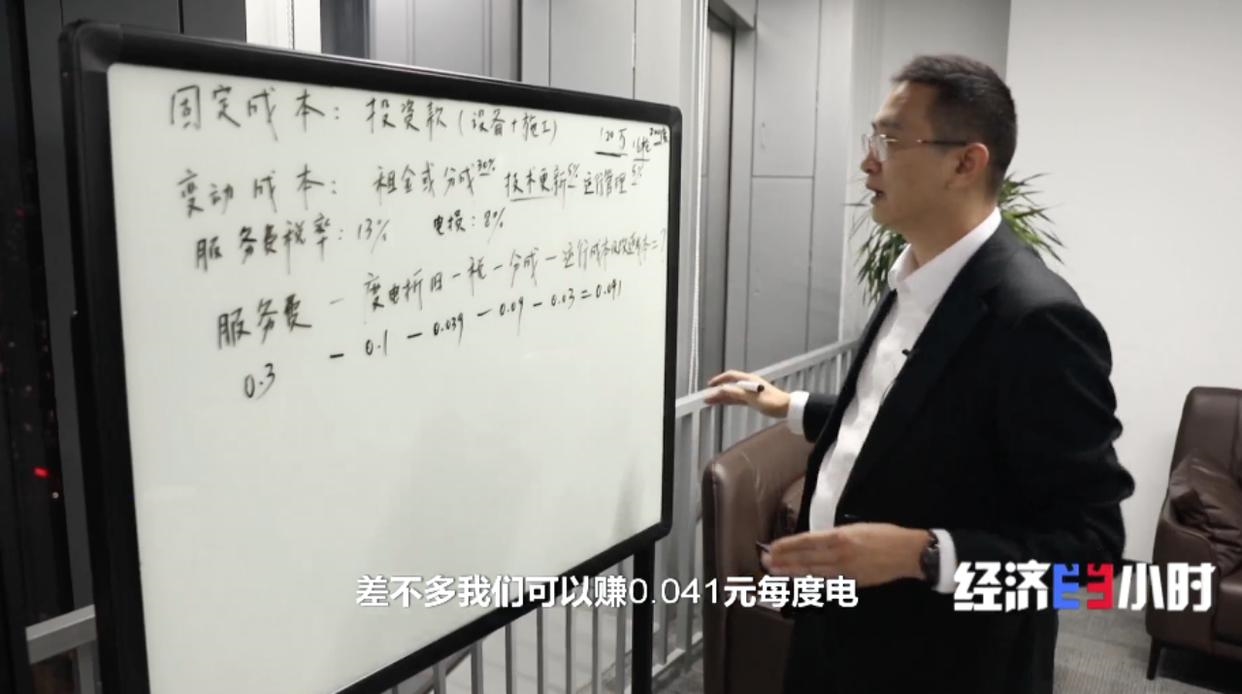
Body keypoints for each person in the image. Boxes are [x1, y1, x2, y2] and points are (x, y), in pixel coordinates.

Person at [705, 54, 1135, 694]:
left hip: (942, 665)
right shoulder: (913, 278)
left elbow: (1093, 567)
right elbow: (906, 422)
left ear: (966, 163)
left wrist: (924, 555)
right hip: (834, 633)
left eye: (890, 140)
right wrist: (787, 406)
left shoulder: (1038, 322)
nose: (867, 161)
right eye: (872, 138)